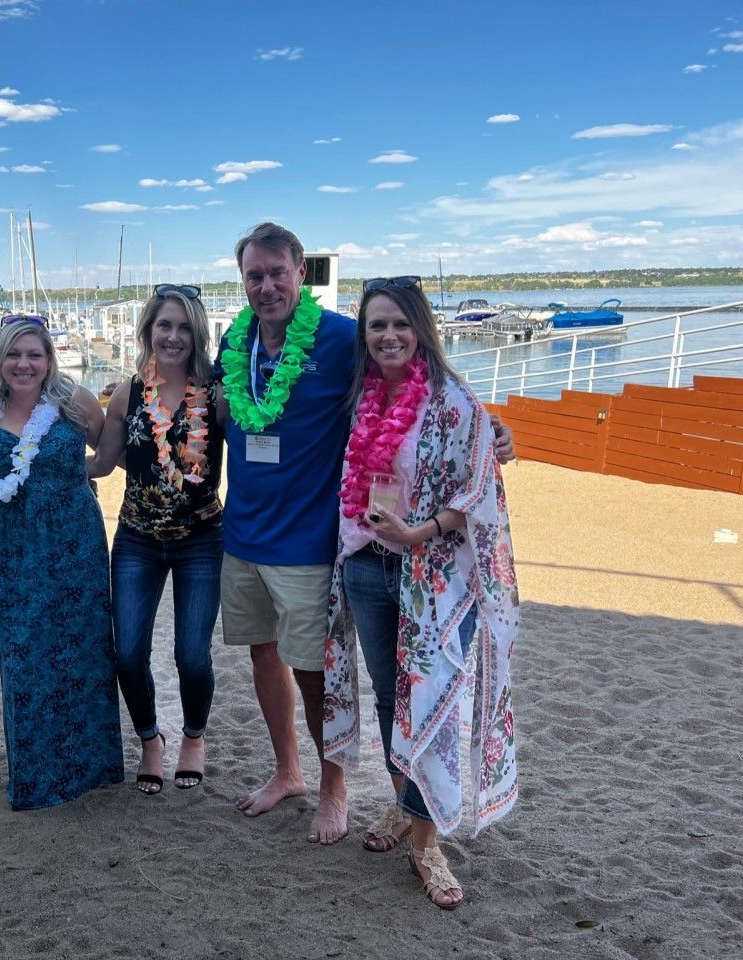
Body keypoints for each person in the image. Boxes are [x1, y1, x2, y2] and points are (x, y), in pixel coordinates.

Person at [216, 223, 515, 845]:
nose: (266, 285)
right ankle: (287, 771)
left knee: (315, 667)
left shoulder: (343, 338)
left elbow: (411, 376)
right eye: (254, 275)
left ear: (302, 272)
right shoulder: (234, 340)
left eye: (278, 272)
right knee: (262, 654)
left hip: (309, 535)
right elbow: (217, 410)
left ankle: (333, 785)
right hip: (241, 530)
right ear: (242, 279)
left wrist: (496, 433)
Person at [324, 276, 520, 910]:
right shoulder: (361, 397)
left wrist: (420, 531)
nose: (388, 336)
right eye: (376, 325)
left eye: (400, 324)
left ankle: (426, 843)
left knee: (431, 698)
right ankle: (407, 805)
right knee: (389, 698)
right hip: (366, 566)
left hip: (432, 574)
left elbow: (477, 490)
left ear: (421, 329)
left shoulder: (454, 401)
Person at [0, 316, 124, 810]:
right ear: (0, 360)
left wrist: (125, 404)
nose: (24, 364)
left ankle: (91, 769)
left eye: (34, 354)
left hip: (76, 542)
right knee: (25, 658)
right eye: (14, 354)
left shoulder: (73, 401)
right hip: (16, 545)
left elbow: (106, 456)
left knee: (83, 650)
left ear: (49, 359)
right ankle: (37, 777)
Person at [88, 284, 225, 794]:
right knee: (127, 653)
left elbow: (262, 443)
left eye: (184, 327)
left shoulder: (215, 394)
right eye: (164, 325)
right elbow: (102, 463)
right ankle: (150, 740)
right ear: (148, 330)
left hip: (202, 540)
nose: (173, 336)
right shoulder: (127, 392)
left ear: (198, 334)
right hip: (137, 541)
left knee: (192, 653)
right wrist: (43, 464)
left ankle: (193, 736)